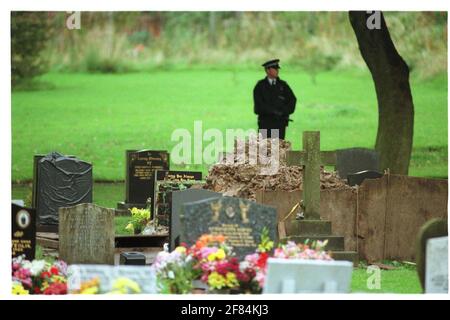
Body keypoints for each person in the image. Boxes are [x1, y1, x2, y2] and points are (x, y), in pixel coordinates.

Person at [253, 59, 297, 140]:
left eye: (277, 69)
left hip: (279, 123)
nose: (277, 71)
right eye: (275, 69)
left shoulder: (283, 85)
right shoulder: (260, 86)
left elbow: (292, 100)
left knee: (277, 149)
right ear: (268, 70)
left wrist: (284, 112)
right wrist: (272, 111)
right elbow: (258, 106)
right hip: (265, 123)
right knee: (264, 149)